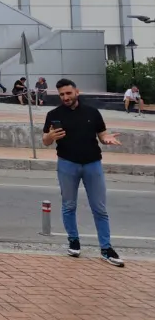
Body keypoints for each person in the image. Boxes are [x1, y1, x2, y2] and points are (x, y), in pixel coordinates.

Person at [42, 78, 124, 267]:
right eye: (62, 94)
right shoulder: (53, 114)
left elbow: (102, 135)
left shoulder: (92, 112)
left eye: (68, 93)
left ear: (76, 92)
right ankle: (74, 241)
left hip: (92, 164)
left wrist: (107, 138)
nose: (65, 97)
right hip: (67, 164)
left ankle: (106, 248)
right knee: (69, 205)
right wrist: (49, 136)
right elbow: (45, 140)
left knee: (100, 208)